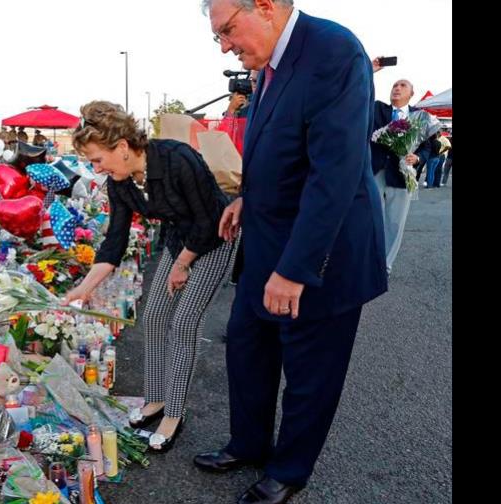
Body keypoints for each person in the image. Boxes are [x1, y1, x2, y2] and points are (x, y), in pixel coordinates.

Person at [194, 2, 388, 503]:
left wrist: (296, 270)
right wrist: (246, 198)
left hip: (322, 253)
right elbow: (281, 151)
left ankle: (289, 470)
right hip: (266, 240)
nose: (225, 46)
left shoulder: (333, 51)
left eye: (228, 31)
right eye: (219, 37)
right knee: (246, 346)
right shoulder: (270, 64)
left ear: (263, 6)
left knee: (310, 373)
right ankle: (248, 443)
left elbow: (333, 174)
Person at [64, 100, 236, 453]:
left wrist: (182, 265)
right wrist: (83, 288)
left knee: (184, 323)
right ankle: (156, 399)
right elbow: (114, 242)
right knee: (154, 317)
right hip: (179, 241)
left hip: (216, 237)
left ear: (122, 146)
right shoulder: (121, 183)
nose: (96, 169)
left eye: (98, 159)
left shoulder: (177, 158)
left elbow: (207, 221)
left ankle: (174, 414)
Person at [367, 75, 432, 276]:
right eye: (395, 85)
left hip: (402, 176)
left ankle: (384, 266)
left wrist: (417, 157)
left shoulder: (421, 117)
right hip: (375, 171)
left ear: (411, 93)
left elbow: (427, 147)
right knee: (369, 218)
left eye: (403, 85)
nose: (397, 88)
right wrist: (370, 72)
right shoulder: (377, 108)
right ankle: (367, 261)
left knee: (395, 223)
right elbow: (362, 96)